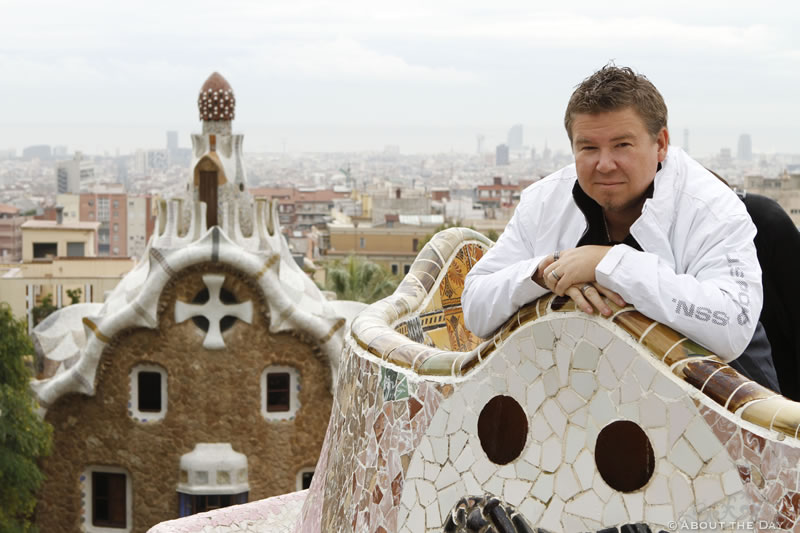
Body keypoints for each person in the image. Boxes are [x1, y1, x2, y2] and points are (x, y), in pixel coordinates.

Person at [462, 64, 779, 391]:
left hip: (726, 410)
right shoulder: (543, 203)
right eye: (588, 147)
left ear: (661, 144)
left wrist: (608, 264)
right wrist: (544, 273)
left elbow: (732, 326)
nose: (604, 163)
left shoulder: (712, 206)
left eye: (622, 145)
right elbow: (474, 306)